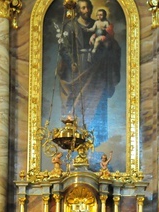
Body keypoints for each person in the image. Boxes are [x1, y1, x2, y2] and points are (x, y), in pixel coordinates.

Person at [57, 0, 121, 143]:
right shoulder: (70, 25)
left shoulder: (97, 24)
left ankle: (93, 139)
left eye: (88, 8)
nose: (86, 10)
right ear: (78, 10)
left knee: (97, 100)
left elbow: (111, 44)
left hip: (96, 68)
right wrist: (72, 61)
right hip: (77, 67)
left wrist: (108, 43)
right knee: (75, 98)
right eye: (83, 8)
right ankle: (73, 135)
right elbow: (64, 47)